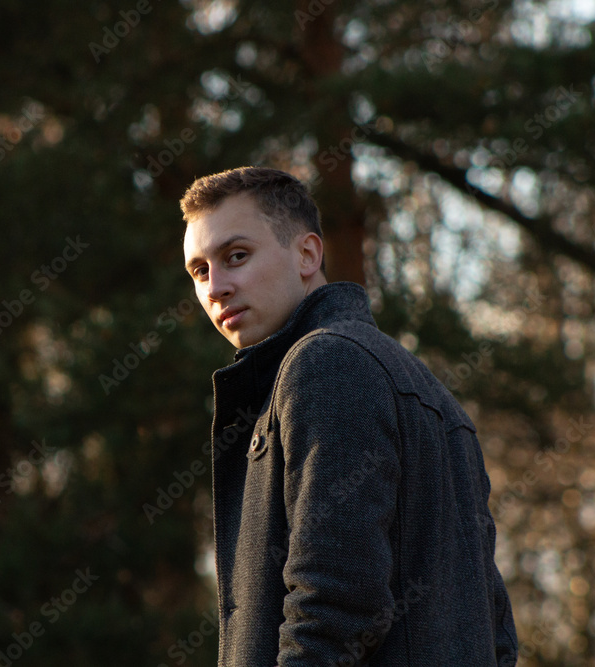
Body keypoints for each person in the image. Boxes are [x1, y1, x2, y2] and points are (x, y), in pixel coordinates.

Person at [180, 166, 518, 666]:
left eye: (236, 256)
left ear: (307, 254)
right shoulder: (431, 393)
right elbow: (497, 633)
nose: (217, 288)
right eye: (200, 271)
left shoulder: (326, 364)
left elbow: (335, 601)